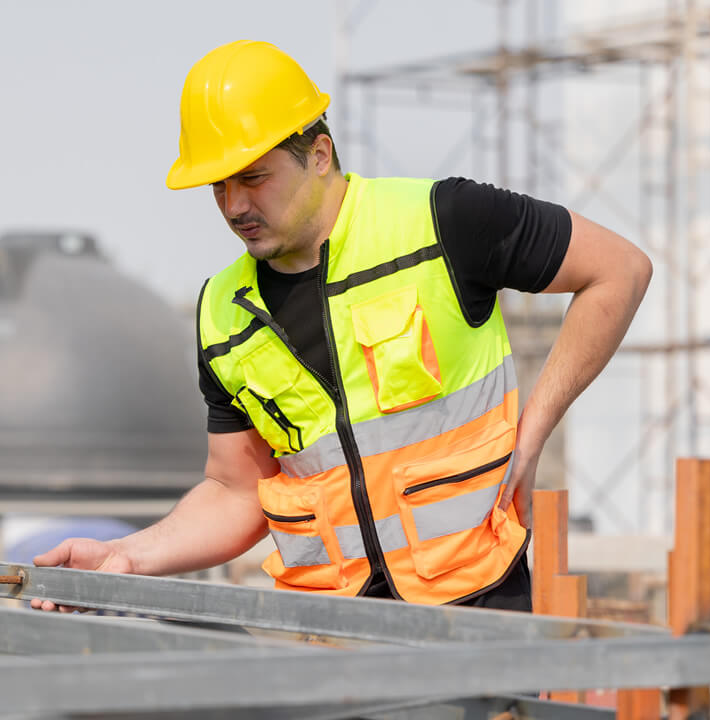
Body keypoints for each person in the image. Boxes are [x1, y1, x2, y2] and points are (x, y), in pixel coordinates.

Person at [32, 40, 651, 612]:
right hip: (331, 637)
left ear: (319, 153)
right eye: (218, 185)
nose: (235, 205)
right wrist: (127, 556)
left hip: (478, 614)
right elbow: (236, 490)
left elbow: (619, 270)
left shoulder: (443, 222)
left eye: (253, 176)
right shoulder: (222, 310)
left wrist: (534, 430)